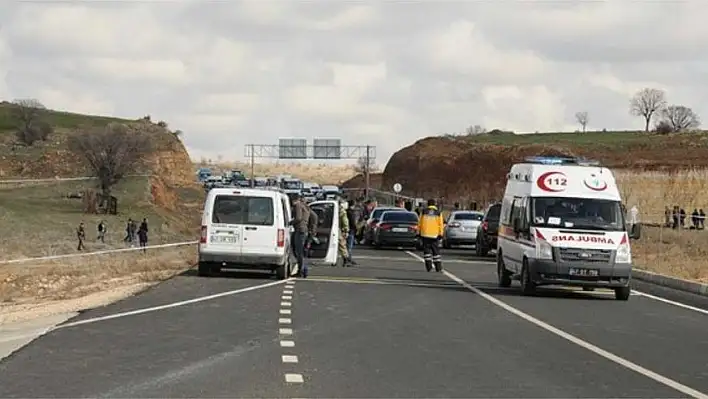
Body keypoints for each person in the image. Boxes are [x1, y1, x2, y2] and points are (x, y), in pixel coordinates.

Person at [417, 198, 444, 272]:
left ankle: (429, 267)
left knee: (427, 251)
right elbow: (440, 224)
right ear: (434, 204)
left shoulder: (424, 212)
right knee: (436, 251)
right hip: (435, 235)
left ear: (428, 204)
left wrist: (418, 232)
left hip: (425, 234)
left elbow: (420, 223)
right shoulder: (438, 212)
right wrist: (441, 234)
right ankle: (438, 267)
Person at [291, 193, 310, 278]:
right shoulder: (304, 206)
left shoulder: (298, 206)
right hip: (303, 229)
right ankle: (303, 269)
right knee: (301, 251)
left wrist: (290, 222)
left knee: (299, 252)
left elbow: (298, 218)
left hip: (300, 230)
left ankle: (301, 270)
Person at [339, 199, 352, 266]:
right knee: (342, 246)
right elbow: (345, 222)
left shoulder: (341, 212)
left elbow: (345, 222)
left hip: (340, 230)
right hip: (340, 230)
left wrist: (346, 230)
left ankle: (346, 259)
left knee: (342, 245)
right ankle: (346, 259)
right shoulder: (342, 211)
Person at [346, 199, 359, 266]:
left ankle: (348, 259)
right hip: (351, 230)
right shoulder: (351, 213)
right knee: (349, 246)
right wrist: (356, 229)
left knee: (348, 246)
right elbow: (353, 223)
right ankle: (348, 259)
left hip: (348, 230)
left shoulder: (347, 211)